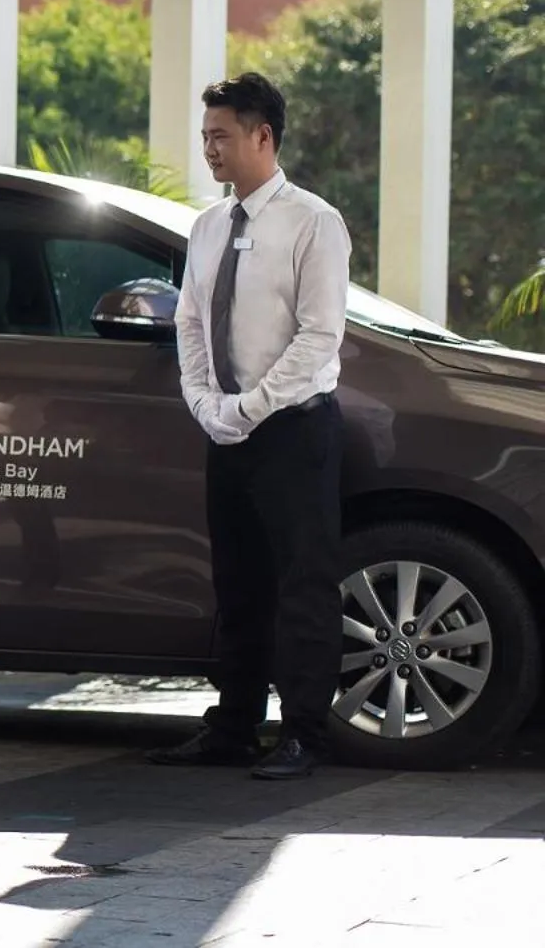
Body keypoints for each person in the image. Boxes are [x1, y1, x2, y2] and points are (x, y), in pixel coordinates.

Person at [151, 72, 351, 781]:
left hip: (293, 430)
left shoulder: (313, 221)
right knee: (237, 585)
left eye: (221, 136)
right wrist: (207, 404)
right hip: (226, 433)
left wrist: (250, 406)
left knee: (303, 582)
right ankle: (233, 725)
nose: (210, 150)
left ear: (263, 136)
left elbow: (320, 335)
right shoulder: (208, 226)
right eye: (205, 137)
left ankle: (303, 732)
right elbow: (189, 323)